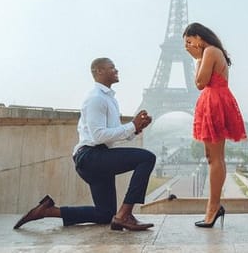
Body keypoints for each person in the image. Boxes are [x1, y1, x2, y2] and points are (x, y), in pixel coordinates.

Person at [13, 57, 157, 231]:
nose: (116, 70)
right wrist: (132, 125)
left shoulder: (109, 99)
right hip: (90, 156)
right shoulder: (95, 98)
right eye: (112, 67)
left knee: (104, 214)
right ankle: (124, 214)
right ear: (99, 71)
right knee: (147, 158)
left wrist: (135, 129)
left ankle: (48, 211)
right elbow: (97, 136)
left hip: (97, 157)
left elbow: (109, 136)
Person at [183, 22, 247, 228]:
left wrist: (197, 58)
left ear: (199, 37)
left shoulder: (209, 51)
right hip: (214, 100)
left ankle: (213, 207)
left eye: (189, 41)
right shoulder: (212, 51)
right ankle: (213, 207)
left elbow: (200, 83)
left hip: (215, 102)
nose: (187, 46)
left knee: (215, 159)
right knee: (213, 157)